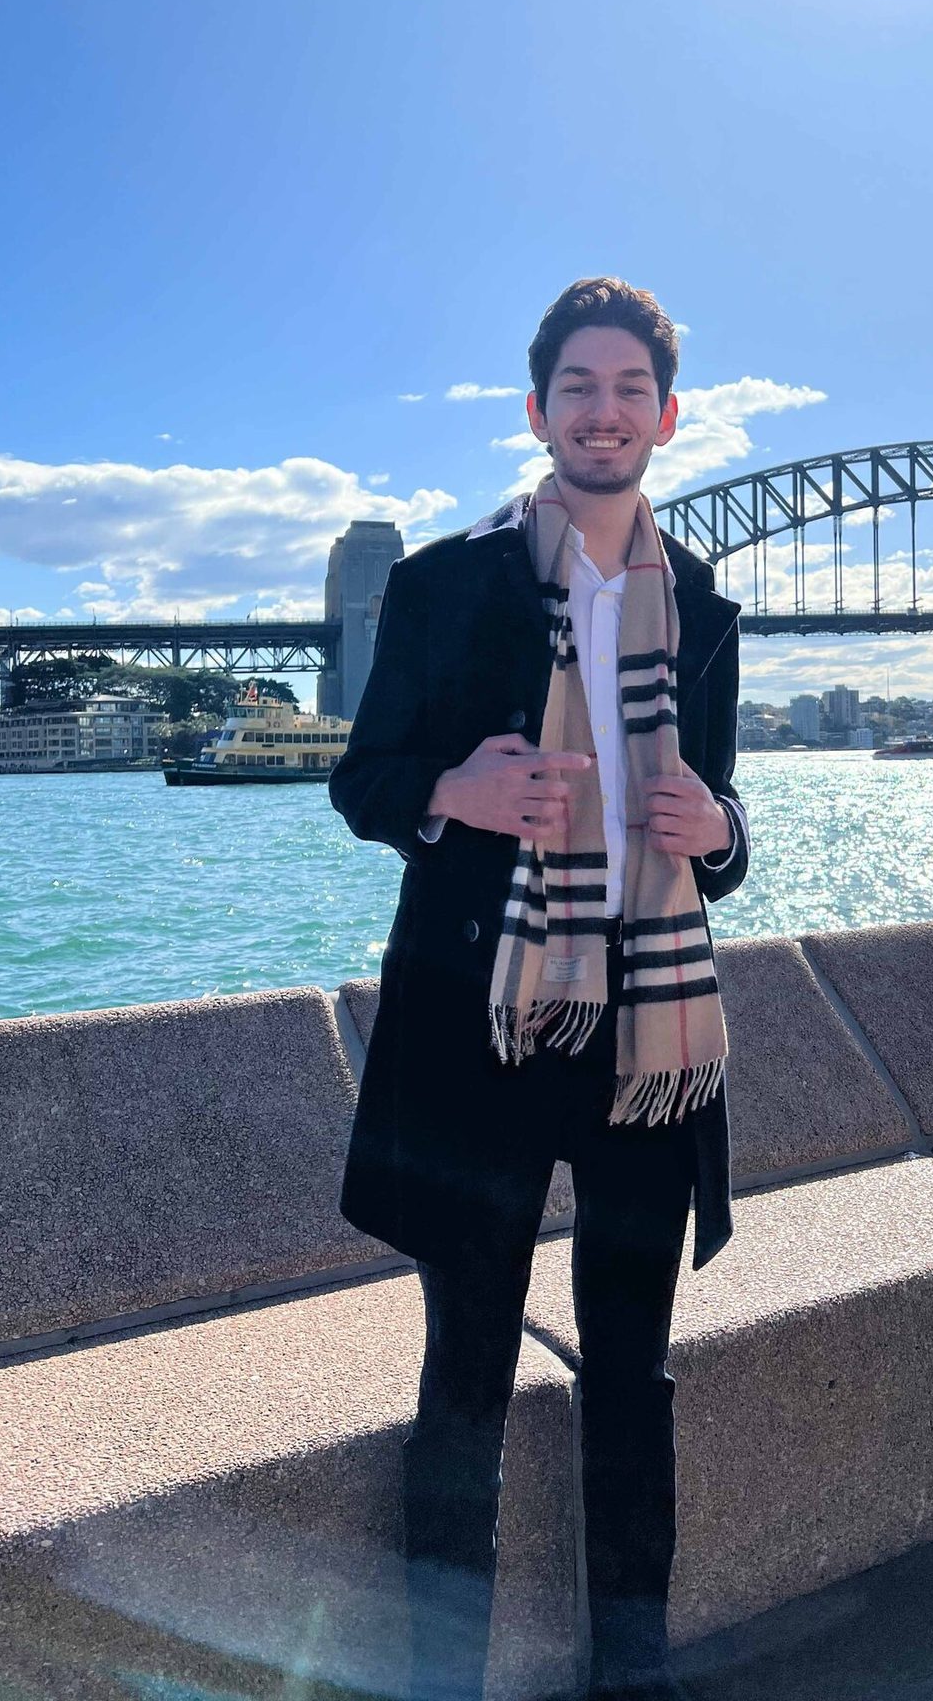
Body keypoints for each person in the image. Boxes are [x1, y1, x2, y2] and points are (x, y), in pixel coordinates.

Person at [329, 277, 750, 1701]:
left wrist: (727, 834)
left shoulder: (701, 604)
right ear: (537, 410)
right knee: (465, 1380)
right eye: (579, 386)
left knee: (633, 1373)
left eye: (631, 387)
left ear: (667, 416)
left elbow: (720, 815)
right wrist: (451, 787)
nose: (605, 411)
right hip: (485, 1023)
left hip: (647, 1028)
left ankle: (634, 1673)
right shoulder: (445, 581)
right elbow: (364, 778)